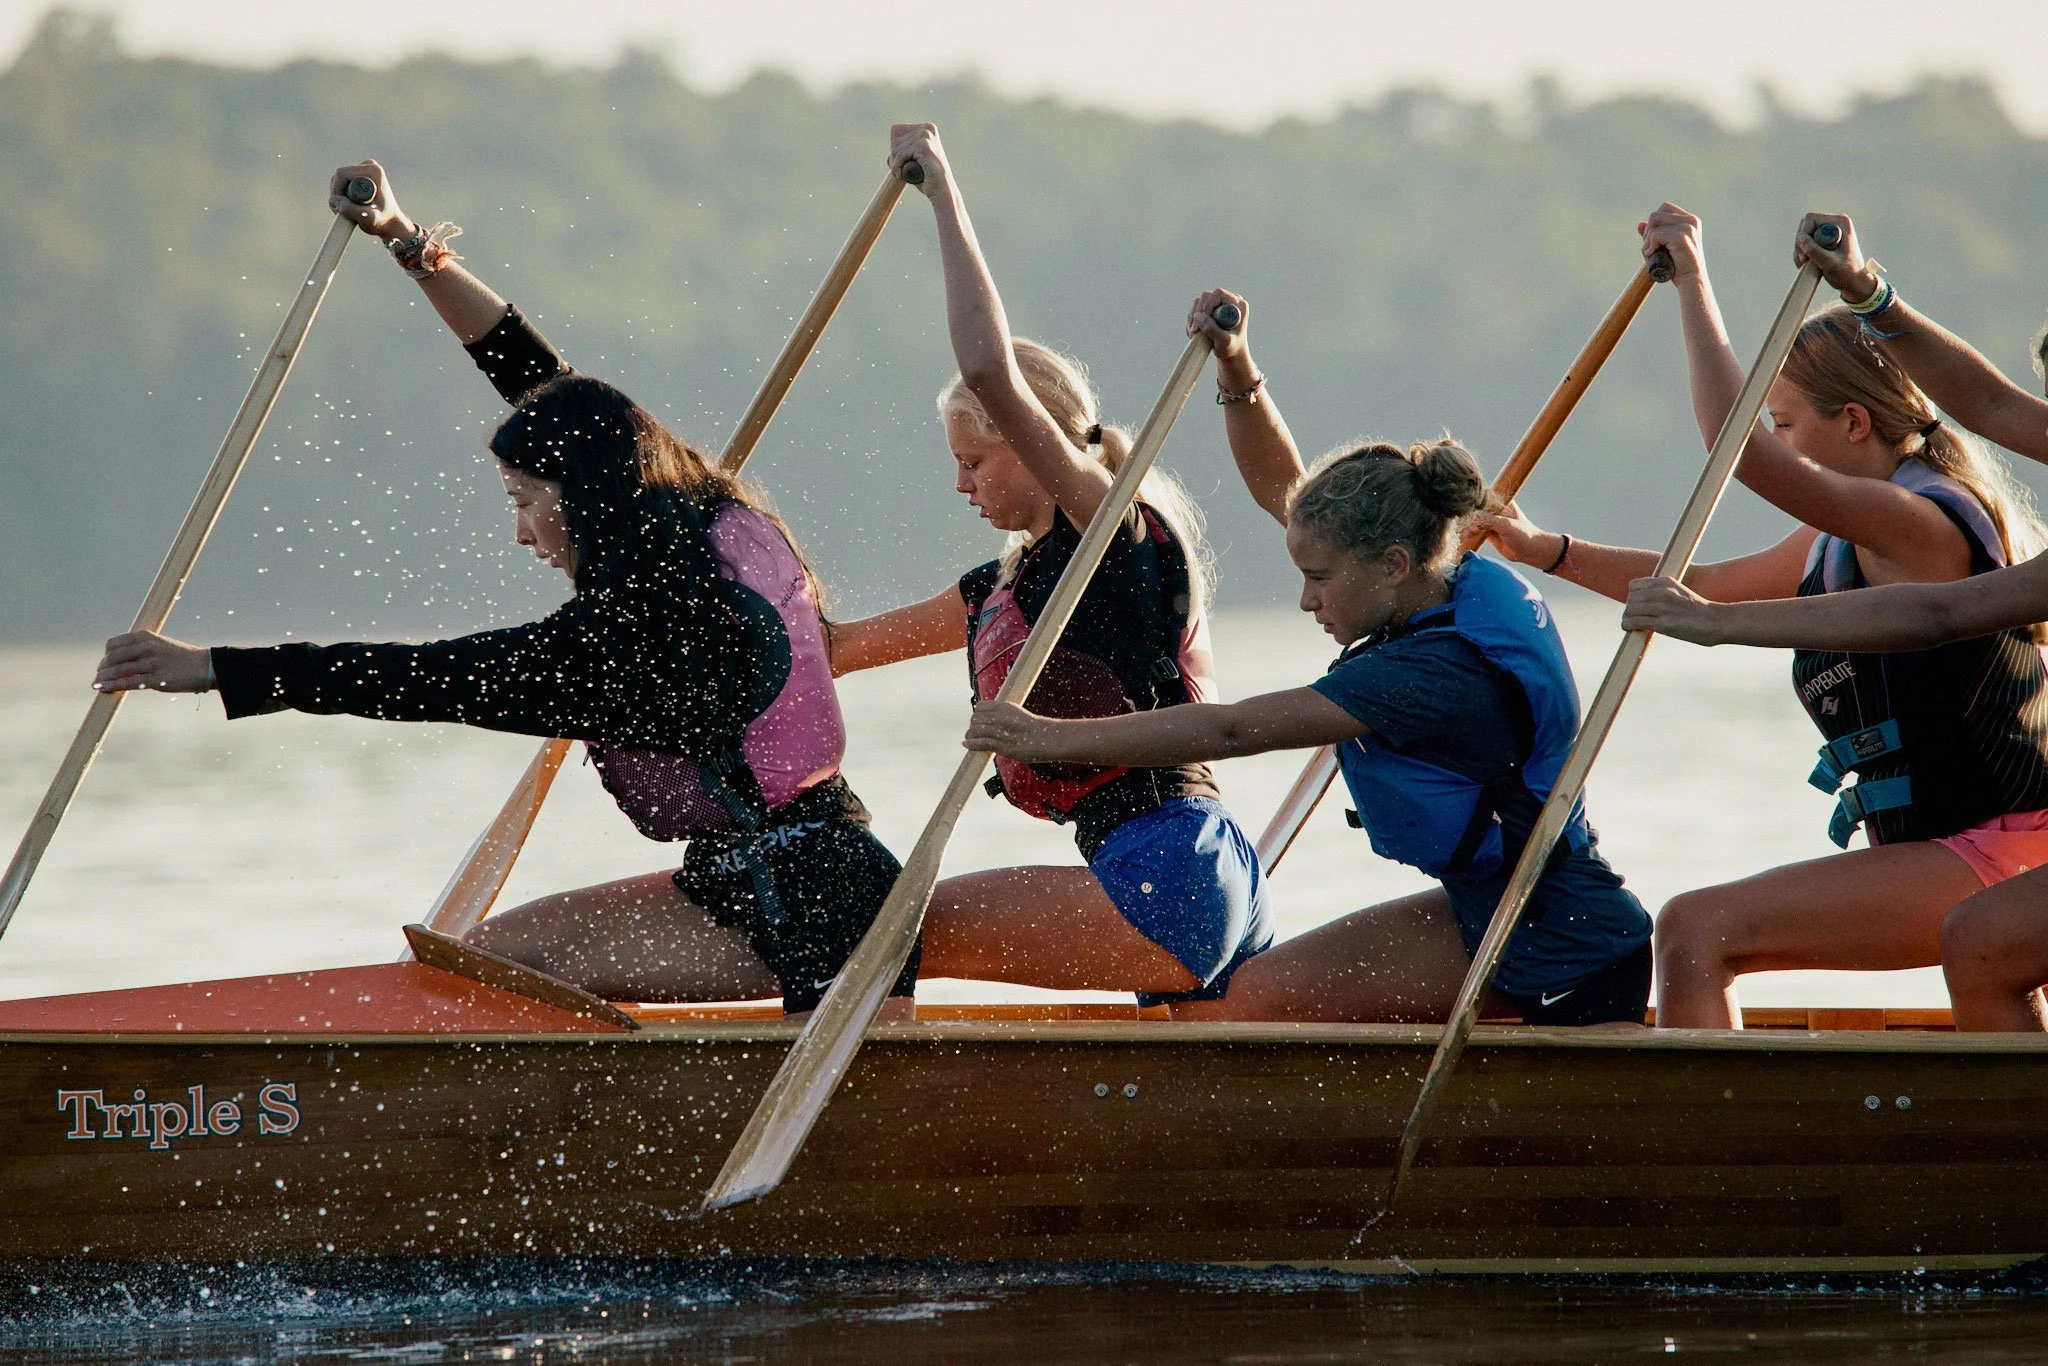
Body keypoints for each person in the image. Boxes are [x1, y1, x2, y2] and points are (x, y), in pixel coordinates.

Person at [92, 160, 916, 1019]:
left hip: (818, 915)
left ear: (590, 499)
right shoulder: (702, 509)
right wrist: (408, 243)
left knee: (479, 978)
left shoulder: (623, 643)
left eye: (528, 502)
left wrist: (219, 668)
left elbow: (412, 678)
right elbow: (548, 385)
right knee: (479, 964)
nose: (520, 532)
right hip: (787, 880)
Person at [966, 289, 1655, 1025]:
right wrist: (1236, 366)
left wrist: (1047, 737)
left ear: (1392, 564)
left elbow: (1231, 731)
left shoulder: (1429, 673)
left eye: (1319, 581)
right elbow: (1283, 491)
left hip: (1561, 945)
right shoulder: (1433, 585)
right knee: (1245, 999)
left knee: (1248, 1007)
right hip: (1497, 906)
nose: (1306, 601)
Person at [1477, 204, 2048, 1029]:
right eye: (1774, 423)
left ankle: (1707, 1154)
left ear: (1853, 423)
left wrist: (1694, 283)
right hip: (1947, 847)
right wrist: (1544, 550)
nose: (1776, 438)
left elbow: (1736, 452)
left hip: (1998, 843)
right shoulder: (1836, 538)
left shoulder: (1919, 522)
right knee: (1695, 929)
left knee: (1693, 928)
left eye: (1786, 424)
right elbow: (1702, 580)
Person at [824, 125, 1272, 1009]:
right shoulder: (1005, 589)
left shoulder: (1107, 530)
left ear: (1033, 447)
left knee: (871, 922)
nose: (960, 485)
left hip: (1167, 869)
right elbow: (829, 650)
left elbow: (988, 366)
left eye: (975, 461)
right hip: (1191, 874)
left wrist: (942, 192)